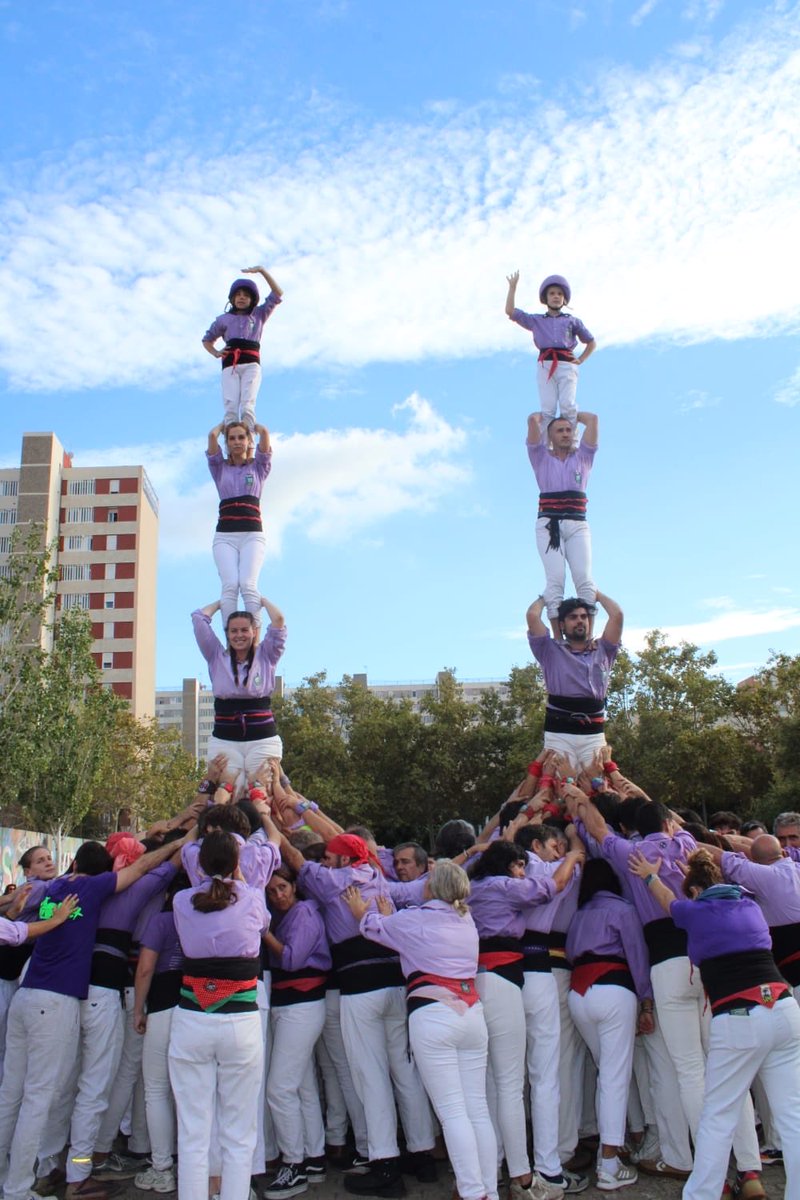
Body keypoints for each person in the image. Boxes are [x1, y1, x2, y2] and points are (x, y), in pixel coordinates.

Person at [629, 847, 800, 1200]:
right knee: (793, 1112)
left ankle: (704, 1193)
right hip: (783, 1007)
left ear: (693, 891)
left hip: (739, 1017)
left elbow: (664, 898)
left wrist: (649, 874)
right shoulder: (751, 907)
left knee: (718, 1113)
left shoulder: (695, 911)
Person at [344, 860, 504, 1200]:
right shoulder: (467, 919)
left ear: (432, 886)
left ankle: (473, 1192)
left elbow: (374, 928)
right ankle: (486, 1188)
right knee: (476, 1108)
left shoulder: (416, 918)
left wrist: (363, 912)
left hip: (433, 1013)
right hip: (471, 1011)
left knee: (453, 1112)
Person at [169, 831, 269, 1200]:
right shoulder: (254, 898)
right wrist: (240, 875)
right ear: (238, 863)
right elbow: (260, 927)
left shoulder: (182, 901)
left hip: (192, 1016)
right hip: (240, 1021)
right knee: (239, 1134)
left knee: (193, 1132)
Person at [565, 860, 652, 1191]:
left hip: (579, 992)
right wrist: (646, 1000)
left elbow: (573, 953)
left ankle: (620, 1142)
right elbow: (637, 956)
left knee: (607, 1075)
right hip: (614, 987)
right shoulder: (622, 909)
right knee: (614, 1078)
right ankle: (610, 1163)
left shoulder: (580, 912)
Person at [263, 865, 331, 1199]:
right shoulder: (288, 915)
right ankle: (314, 1157)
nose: (278, 895)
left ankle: (294, 1164)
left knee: (279, 1088)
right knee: (301, 1084)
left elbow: (291, 958)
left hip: (302, 1003)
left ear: (294, 886)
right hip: (290, 1004)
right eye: (272, 891)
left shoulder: (303, 912)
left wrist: (264, 933)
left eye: (283, 888)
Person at [192, 596, 287, 794]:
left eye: (245, 630)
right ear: (227, 634)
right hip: (225, 740)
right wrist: (224, 600)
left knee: (261, 791)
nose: (239, 635)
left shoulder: (266, 655)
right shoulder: (216, 656)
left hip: (262, 739)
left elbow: (278, 620)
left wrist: (257, 597)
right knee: (228, 791)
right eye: (234, 631)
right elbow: (199, 618)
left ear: (254, 632)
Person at [526, 592, 622, 768]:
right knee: (560, 787)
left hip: (593, 733)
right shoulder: (550, 650)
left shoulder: (603, 649)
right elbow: (532, 616)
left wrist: (595, 594)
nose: (580, 620)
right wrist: (546, 597)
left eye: (584, 617)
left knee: (597, 787)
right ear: (562, 624)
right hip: (559, 733)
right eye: (573, 617)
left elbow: (617, 615)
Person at [525, 411, 598, 634]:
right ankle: (558, 638)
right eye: (560, 430)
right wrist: (546, 417)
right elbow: (532, 421)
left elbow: (592, 420)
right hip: (550, 525)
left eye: (569, 430)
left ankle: (589, 636)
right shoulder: (540, 457)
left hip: (577, 524)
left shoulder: (583, 457)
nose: (566, 434)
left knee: (584, 579)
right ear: (550, 436)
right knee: (556, 579)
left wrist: (569, 414)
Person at [505, 273, 596, 434]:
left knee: (568, 405)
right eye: (552, 293)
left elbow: (591, 342)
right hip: (545, 364)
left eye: (560, 294)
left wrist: (581, 359)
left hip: (567, 364)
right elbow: (510, 311)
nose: (556, 297)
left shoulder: (572, 321)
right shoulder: (536, 320)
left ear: (564, 299)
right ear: (545, 298)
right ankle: (546, 446)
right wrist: (512, 288)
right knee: (548, 408)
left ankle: (571, 444)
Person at [206, 421, 273, 624]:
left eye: (241, 437)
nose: (237, 442)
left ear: (248, 440)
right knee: (230, 585)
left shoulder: (258, 467)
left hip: (252, 534)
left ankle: (254, 639)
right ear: (226, 443)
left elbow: (265, 436)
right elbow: (211, 436)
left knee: (247, 584)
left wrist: (253, 426)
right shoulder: (219, 468)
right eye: (232, 438)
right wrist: (225, 423)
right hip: (225, 536)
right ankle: (231, 640)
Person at [202, 267, 283, 430]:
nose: (241, 298)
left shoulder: (259, 314)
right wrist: (216, 352)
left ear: (252, 299)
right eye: (238, 295)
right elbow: (207, 340)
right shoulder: (223, 319)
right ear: (232, 298)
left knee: (247, 405)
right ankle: (232, 448)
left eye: (246, 295)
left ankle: (249, 446)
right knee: (231, 406)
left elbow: (277, 293)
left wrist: (262, 271)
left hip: (251, 363)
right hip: (230, 364)